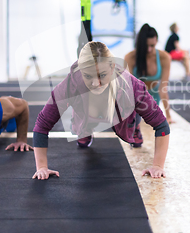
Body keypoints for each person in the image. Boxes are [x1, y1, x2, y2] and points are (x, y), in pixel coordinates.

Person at [32, 41, 170, 180]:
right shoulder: (69, 85)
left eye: (102, 75)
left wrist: (158, 166)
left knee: (134, 116)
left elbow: (161, 125)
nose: (95, 83)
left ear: (112, 67)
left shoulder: (132, 86)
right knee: (82, 138)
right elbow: (42, 125)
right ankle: (85, 130)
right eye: (88, 76)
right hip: (86, 114)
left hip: (122, 114)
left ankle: (134, 127)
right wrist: (42, 167)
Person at [124, 24, 173, 147]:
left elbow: (163, 88)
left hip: (153, 97)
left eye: (153, 45)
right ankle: (134, 127)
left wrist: (168, 115)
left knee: (159, 126)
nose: (150, 49)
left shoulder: (164, 57)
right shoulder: (130, 57)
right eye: (146, 46)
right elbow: (128, 89)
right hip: (136, 97)